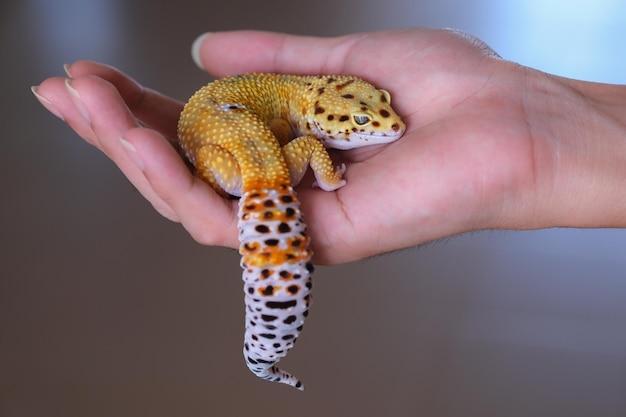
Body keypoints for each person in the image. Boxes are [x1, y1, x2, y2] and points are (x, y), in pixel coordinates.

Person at [31, 29, 626, 264]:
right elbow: (317, 153)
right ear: (324, 124)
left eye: (383, 116)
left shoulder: (289, 96)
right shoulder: (306, 133)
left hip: (224, 160)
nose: (388, 127)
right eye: (366, 128)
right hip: (242, 158)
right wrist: (333, 174)